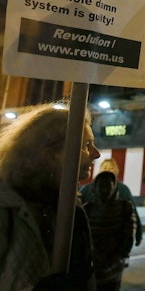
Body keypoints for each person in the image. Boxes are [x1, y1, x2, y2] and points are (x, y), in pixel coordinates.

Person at [0, 104, 100, 290]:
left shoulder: (72, 210)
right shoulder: (6, 207)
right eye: (86, 145)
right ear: (51, 153)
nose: (96, 154)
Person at [83, 171, 136, 291]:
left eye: (108, 185)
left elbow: (129, 236)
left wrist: (118, 256)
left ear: (114, 188)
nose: (104, 189)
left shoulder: (125, 207)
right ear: (95, 187)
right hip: (91, 266)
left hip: (114, 266)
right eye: (101, 185)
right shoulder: (87, 208)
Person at [79, 158, 143, 247]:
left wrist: (138, 234)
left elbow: (133, 214)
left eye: (111, 168)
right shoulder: (86, 190)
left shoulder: (123, 190)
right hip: (92, 239)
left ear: (116, 170)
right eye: (105, 168)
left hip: (116, 240)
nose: (108, 170)